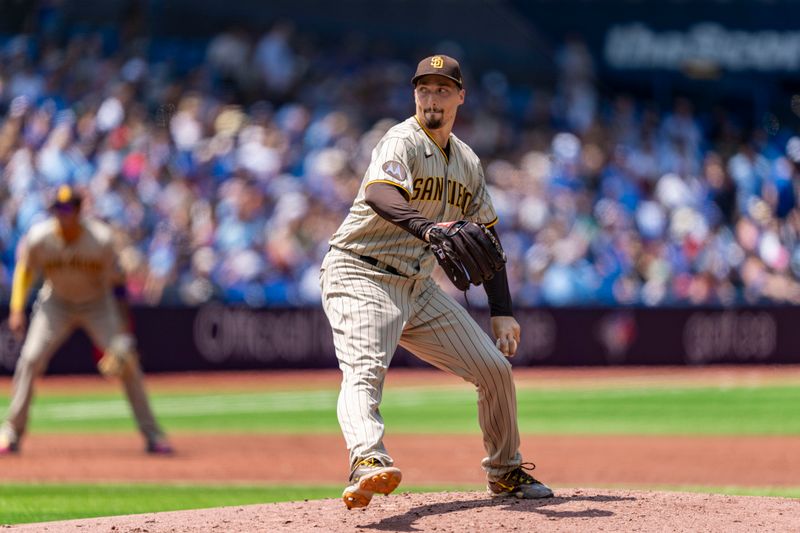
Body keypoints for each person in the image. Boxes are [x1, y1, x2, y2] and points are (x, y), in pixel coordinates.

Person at [320, 54, 553, 509]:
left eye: (443, 90)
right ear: (414, 95)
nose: (432, 98)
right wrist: (428, 228)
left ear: (460, 97)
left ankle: (505, 472)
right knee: (364, 371)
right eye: (424, 89)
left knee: (495, 370)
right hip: (360, 271)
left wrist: (502, 311)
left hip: (418, 288)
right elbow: (380, 193)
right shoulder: (400, 140)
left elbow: (487, 237)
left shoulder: (467, 161)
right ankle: (366, 460)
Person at [0, 185, 173, 455]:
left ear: (80, 211)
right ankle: (11, 432)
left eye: (67, 208)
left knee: (127, 363)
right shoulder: (40, 237)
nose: (62, 214)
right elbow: (25, 270)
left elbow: (118, 285)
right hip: (55, 303)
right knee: (30, 359)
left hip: (97, 304)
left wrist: (123, 329)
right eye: (58, 208)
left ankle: (153, 435)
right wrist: (16, 308)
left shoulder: (100, 240)